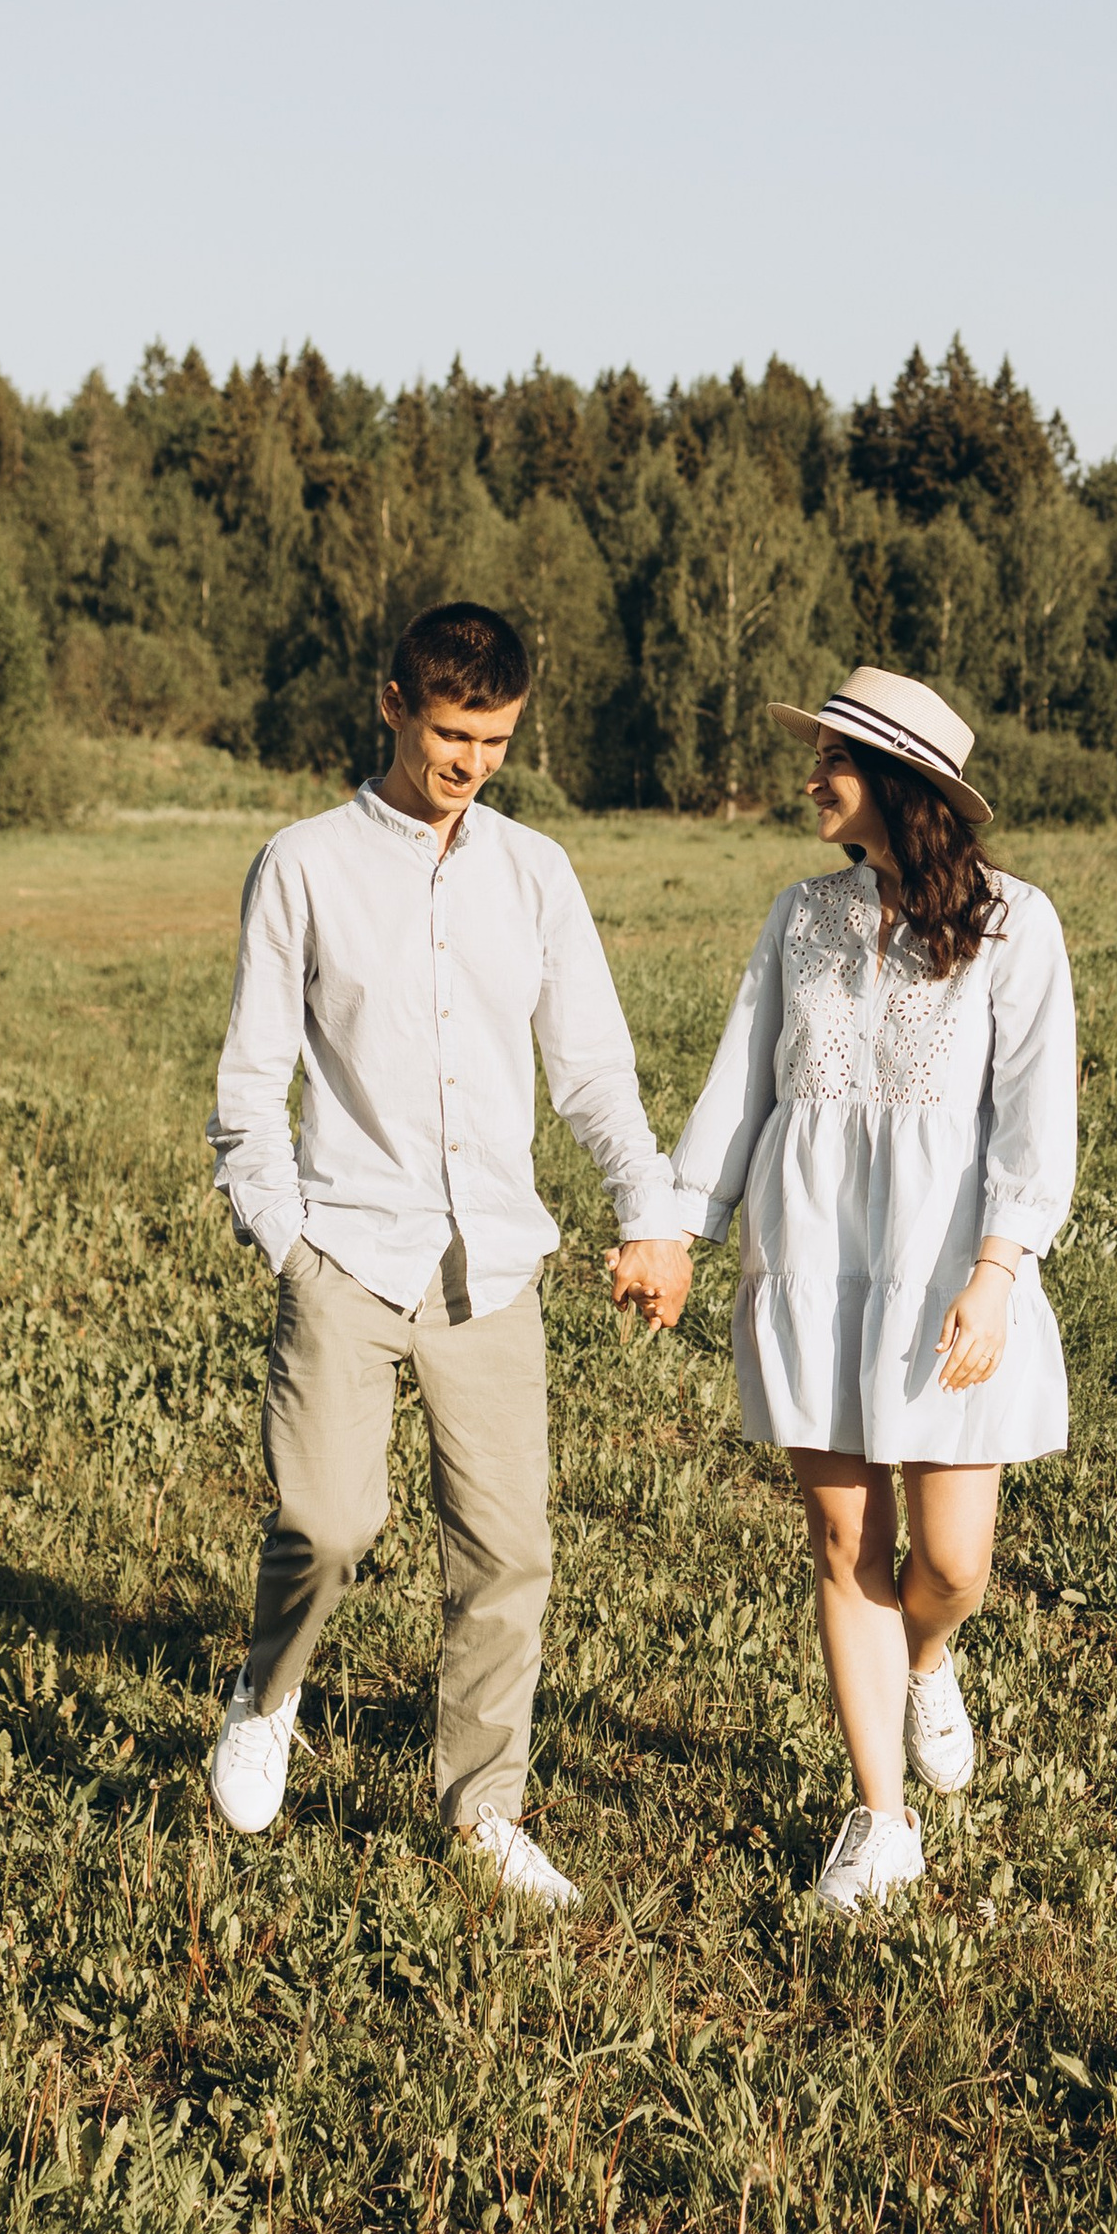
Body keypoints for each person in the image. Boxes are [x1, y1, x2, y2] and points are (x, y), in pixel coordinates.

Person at [205, 601, 693, 1905]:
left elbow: (591, 1070)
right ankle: (268, 1690)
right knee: (326, 1518)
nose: (470, 760)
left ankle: (482, 1810)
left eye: (494, 737)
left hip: (494, 1270)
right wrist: (285, 1238)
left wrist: (648, 1207)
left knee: (507, 1556)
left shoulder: (536, 872)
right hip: (348, 1258)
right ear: (391, 706)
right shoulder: (301, 863)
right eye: (449, 732)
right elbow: (249, 1084)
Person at [664, 668, 1077, 1913]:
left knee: (949, 1562)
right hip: (811, 1258)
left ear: (896, 782)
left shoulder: (1016, 924)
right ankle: (879, 1820)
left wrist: (997, 1274)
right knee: (847, 1542)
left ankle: (928, 1656)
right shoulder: (798, 916)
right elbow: (742, 1087)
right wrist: (683, 1227)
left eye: (830, 757)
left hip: (946, 1272)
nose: (810, 777)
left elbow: (1035, 1124)